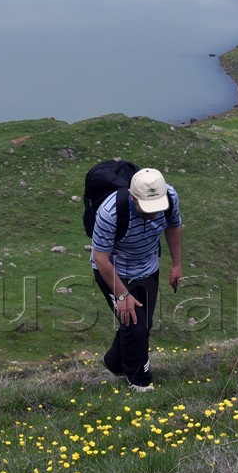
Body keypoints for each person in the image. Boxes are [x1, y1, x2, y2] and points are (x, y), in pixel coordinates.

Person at [91, 167, 183, 391]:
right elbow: (101, 258)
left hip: (148, 268)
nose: (152, 213)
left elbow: (173, 226)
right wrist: (122, 294)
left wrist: (177, 264)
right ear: (133, 197)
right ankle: (140, 383)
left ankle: (114, 362)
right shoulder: (110, 212)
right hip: (114, 271)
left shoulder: (169, 197)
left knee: (143, 324)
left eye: (156, 207)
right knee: (135, 327)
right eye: (146, 207)